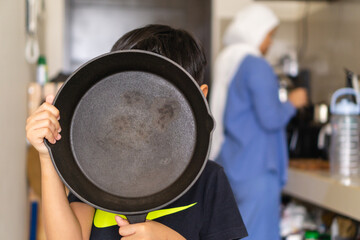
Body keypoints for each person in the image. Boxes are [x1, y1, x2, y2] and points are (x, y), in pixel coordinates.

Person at [26, 24, 248, 240]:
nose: (143, 115)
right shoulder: (94, 174)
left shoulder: (209, 180)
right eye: (133, 98)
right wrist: (47, 156)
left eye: (161, 100)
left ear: (199, 97)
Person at [209, 4, 307, 240]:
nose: (270, 43)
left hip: (232, 164)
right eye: (269, 35)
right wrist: (293, 102)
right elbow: (271, 118)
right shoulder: (256, 65)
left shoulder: (228, 60)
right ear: (255, 31)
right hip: (257, 169)